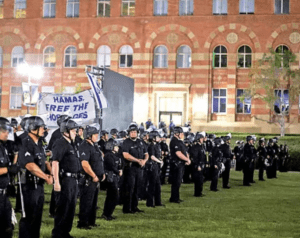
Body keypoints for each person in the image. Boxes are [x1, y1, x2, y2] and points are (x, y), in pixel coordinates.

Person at [18, 116, 53, 238]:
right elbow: (30, 165)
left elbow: (44, 162)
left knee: (37, 217)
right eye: (42, 127)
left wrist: (52, 173)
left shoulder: (39, 144)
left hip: (39, 186)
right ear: (33, 128)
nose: (44, 129)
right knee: (28, 217)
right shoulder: (25, 143)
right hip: (28, 186)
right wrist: (46, 177)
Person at [52, 119, 81, 238]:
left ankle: (65, 232)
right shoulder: (60, 143)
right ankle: (58, 234)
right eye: (73, 130)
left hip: (73, 180)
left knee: (71, 207)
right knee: (63, 207)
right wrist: (56, 182)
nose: (76, 133)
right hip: (65, 180)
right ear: (66, 131)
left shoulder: (71, 144)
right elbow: (55, 163)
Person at [77, 124, 105, 229]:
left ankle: (91, 221)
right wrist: (93, 175)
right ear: (89, 135)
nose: (97, 136)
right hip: (88, 179)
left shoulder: (94, 145)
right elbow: (85, 164)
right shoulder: (84, 146)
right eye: (95, 134)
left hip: (96, 178)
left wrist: (102, 173)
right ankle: (83, 223)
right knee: (86, 202)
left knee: (93, 202)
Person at [48, 114, 71, 218]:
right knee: (57, 187)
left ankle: (59, 209)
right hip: (59, 162)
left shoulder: (60, 133)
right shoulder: (57, 134)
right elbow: (50, 149)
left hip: (64, 162)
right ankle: (53, 210)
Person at [122, 124, 148, 213]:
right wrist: (137, 160)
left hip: (140, 168)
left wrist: (144, 161)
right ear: (129, 133)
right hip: (130, 168)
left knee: (137, 188)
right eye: (131, 132)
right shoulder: (126, 142)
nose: (133, 133)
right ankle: (127, 208)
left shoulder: (141, 142)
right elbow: (125, 155)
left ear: (137, 133)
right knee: (130, 188)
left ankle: (134, 207)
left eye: (134, 132)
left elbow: (146, 153)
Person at [0, 117, 19, 238]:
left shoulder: (3, 147)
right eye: (4, 130)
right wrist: (9, 169)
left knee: (8, 228)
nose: (7, 133)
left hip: (3, 195)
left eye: (8, 130)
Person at [102, 139, 123, 220]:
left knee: (111, 196)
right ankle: (107, 214)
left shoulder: (113, 155)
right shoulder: (108, 155)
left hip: (114, 177)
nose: (118, 148)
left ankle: (107, 214)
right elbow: (111, 166)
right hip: (110, 177)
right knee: (114, 196)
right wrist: (118, 172)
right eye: (116, 146)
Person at [169, 126, 191, 203]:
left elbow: (185, 151)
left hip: (181, 163)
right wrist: (187, 159)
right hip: (176, 164)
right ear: (177, 133)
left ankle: (176, 197)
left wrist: (187, 158)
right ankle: (174, 198)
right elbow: (178, 153)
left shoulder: (180, 141)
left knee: (178, 182)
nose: (183, 135)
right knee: (176, 181)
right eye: (181, 133)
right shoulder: (174, 141)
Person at [146, 131, 164, 207]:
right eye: (157, 137)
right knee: (152, 185)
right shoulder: (151, 146)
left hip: (156, 166)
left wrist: (160, 160)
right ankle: (150, 203)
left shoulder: (157, 145)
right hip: (152, 167)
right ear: (153, 138)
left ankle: (158, 202)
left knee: (157, 185)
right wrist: (160, 161)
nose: (159, 138)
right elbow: (152, 156)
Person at [190, 132, 206, 197]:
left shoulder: (201, 146)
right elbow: (195, 157)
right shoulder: (195, 147)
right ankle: (197, 193)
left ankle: (200, 192)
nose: (203, 139)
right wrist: (197, 165)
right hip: (197, 165)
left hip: (201, 164)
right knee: (198, 180)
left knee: (201, 179)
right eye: (201, 138)